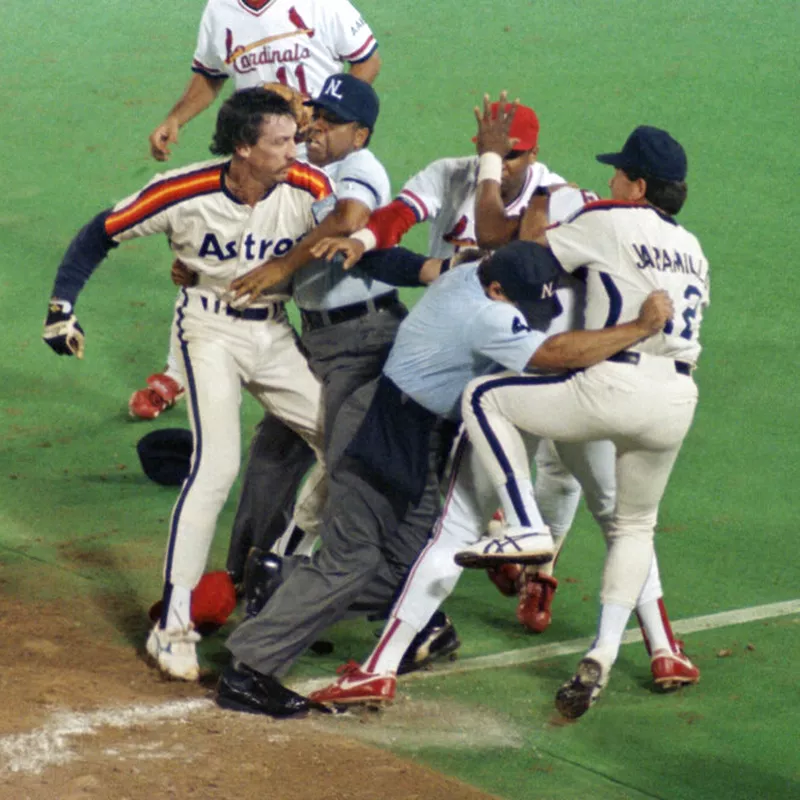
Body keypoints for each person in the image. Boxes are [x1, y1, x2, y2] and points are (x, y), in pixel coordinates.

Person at [43, 88, 334, 681]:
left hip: (274, 334)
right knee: (216, 465)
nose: (294, 149)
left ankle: (281, 563)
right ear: (243, 147)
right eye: (279, 141)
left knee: (346, 446)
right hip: (209, 329)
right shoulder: (182, 191)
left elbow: (338, 236)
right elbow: (100, 232)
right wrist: (61, 307)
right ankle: (171, 626)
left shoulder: (308, 187)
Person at [455, 126, 708, 719]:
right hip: (676, 401)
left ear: (640, 186)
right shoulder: (694, 247)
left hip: (611, 383)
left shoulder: (608, 219)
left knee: (486, 396)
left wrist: (542, 203)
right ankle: (603, 652)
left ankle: (522, 526)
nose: (612, 180)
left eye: (621, 173)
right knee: (634, 526)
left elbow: (524, 254)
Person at [131, 0, 381, 420]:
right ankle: (180, 369)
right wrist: (176, 119)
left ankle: (330, 368)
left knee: (318, 268)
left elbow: (366, 62)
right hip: (261, 160)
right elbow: (208, 78)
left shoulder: (323, 5)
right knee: (216, 262)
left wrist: (327, 116)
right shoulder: (220, 11)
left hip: (319, 161)